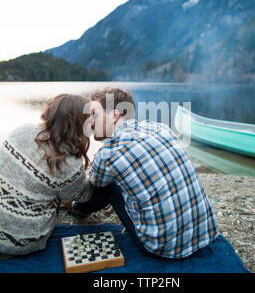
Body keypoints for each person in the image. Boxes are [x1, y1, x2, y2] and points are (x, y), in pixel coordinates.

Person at [64, 87, 219, 259]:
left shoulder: (108, 154)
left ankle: (76, 208)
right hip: (205, 233)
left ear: (115, 115)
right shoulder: (160, 128)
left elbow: (91, 188)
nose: (89, 122)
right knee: (120, 177)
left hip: (163, 247)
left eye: (94, 114)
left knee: (105, 186)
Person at [0, 94, 93, 260]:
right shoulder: (69, 164)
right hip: (14, 244)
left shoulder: (21, 131)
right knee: (57, 194)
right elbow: (85, 195)